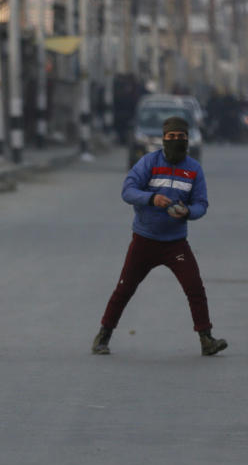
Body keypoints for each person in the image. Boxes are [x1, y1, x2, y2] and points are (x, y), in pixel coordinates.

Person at [92, 116, 227, 356]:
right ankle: (103, 335)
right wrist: (151, 198)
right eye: (172, 137)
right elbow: (128, 190)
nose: (176, 141)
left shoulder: (194, 169)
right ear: (164, 139)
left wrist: (188, 212)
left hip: (175, 243)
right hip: (144, 240)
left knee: (195, 287)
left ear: (187, 140)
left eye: (181, 137)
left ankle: (206, 339)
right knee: (124, 288)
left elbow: (202, 204)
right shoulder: (148, 162)